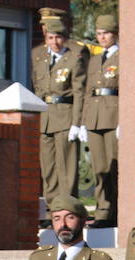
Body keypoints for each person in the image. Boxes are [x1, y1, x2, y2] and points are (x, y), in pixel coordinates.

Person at [31, 17, 87, 203]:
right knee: (48, 166)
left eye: (58, 38)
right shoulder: (39, 57)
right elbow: (37, 87)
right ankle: (52, 207)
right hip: (45, 116)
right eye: (51, 38)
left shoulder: (73, 58)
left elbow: (79, 92)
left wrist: (77, 123)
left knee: (66, 167)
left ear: (65, 38)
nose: (54, 42)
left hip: (65, 115)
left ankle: (68, 205)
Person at [79, 14, 119, 226]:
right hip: (94, 117)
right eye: (99, 34)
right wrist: (84, 121)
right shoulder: (94, 59)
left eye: (106, 33)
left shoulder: (122, 57)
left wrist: (124, 120)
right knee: (99, 168)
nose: (102, 38)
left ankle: (117, 210)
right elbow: (88, 92)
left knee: (115, 167)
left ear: (115, 34)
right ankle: (103, 210)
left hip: (113, 115)